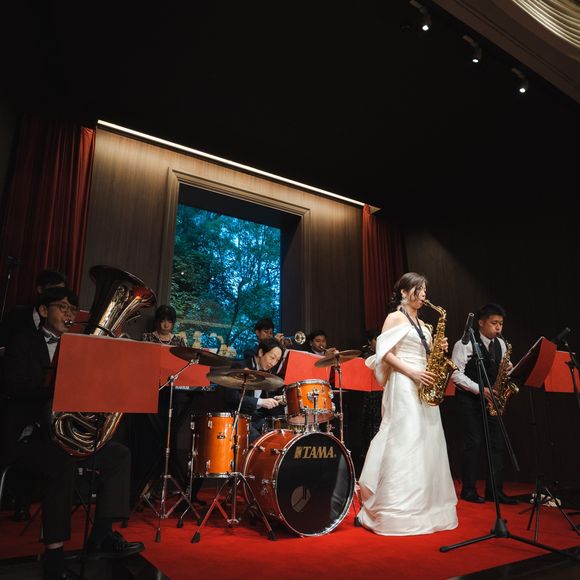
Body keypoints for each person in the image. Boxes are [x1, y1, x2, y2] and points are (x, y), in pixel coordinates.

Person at [0, 287, 144, 580]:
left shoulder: (80, 349)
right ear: (43, 311)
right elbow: (13, 389)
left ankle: (100, 537)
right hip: (27, 437)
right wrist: (57, 390)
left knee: (119, 455)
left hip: (62, 437)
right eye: (62, 307)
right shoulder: (22, 342)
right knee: (61, 465)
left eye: (72, 309)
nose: (69, 314)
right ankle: (54, 557)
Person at [358, 272, 458, 535]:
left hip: (425, 382)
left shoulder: (424, 324)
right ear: (404, 292)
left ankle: (426, 506)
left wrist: (439, 347)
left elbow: (428, 354)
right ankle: (395, 508)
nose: (423, 294)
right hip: (404, 382)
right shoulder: (395, 317)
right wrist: (412, 373)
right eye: (418, 289)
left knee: (428, 439)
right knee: (405, 438)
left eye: (425, 290)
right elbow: (385, 354)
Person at [451, 303, 518, 505]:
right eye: (494, 323)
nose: (498, 327)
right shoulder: (464, 343)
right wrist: (481, 389)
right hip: (469, 399)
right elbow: (455, 375)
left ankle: (494, 491)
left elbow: (503, 369)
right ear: (480, 323)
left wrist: (510, 370)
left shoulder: (501, 344)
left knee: (497, 444)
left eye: (501, 323)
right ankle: (469, 490)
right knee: (474, 442)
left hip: (491, 399)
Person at [221, 338, 285, 442]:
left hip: (256, 417)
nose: (273, 363)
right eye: (272, 357)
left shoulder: (267, 372)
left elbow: (261, 397)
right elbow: (232, 397)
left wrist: (277, 399)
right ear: (261, 352)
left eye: (277, 360)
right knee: (258, 440)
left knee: (277, 437)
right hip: (238, 417)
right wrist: (261, 402)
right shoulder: (240, 366)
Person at [0, 269, 66, 348]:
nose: (58, 296)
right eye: (54, 290)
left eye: (62, 292)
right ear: (40, 289)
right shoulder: (16, 315)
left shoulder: (63, 320)